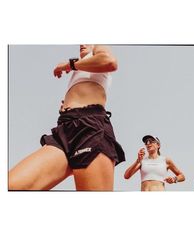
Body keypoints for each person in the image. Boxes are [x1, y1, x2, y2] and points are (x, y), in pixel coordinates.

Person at [9, 44, 125, 191]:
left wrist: (69, 64)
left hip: (90, 127)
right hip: (64, 129)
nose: (82, 43)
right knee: (12, 186)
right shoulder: (81, 66)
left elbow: (109, 61)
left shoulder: (97, 50)